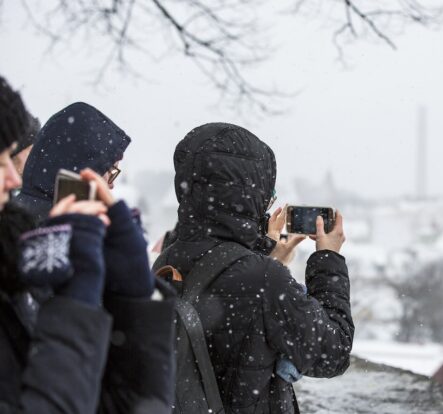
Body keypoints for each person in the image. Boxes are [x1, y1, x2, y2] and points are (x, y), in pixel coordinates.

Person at [153, 122, 354, 413]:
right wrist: (328, 258)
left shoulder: (167, 261)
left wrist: (260, 251)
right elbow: (333, 352)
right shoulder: (263, 280)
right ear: (250, 195)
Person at [0, 83, 176, 413]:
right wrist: (76, 306)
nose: (12, 178)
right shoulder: (36, 247)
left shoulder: (22, 244)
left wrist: (136, 299)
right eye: (1, 162)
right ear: (82, 171)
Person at [13, 101, 130, 222]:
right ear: (85, 169)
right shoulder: (65, 229)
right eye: (111, 172)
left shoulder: (14, 214)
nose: (111, 185)